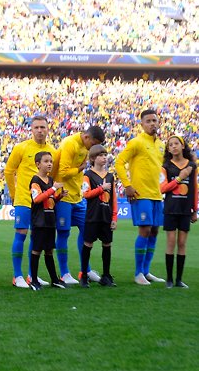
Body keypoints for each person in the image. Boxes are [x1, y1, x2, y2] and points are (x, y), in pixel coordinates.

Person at [4, 116, 58, 288]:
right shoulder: (21, 147)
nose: (40, 130)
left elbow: (52, 177)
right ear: (31, 129)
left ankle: (31, 275)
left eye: (43, 127)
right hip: (24, 200)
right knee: (21, 234)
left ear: (48, 129)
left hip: (42, 204)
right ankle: (17, 275)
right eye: (36, 127)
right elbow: (8, 171)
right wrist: (14, 195)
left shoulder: (52, 151)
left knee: (37, 238)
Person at [115, 109, 166, 285]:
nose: (152, 124)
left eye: (155, 120)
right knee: (144, 230)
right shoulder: (136, 142)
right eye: (149, 121)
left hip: (157, 195)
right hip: (141, 193)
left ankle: (146, 270)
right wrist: (127, 185)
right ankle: (138, 274)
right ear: (142, 124)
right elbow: (119, 162)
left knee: (155, 231)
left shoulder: (161, 145)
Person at [55, 126, 105, 285]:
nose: (93, 148)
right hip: (64, 196)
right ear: (87, 137)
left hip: (78, 197)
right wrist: (80, 168)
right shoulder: (70, 143)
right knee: (63, 233)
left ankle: (86, 270)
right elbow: (62, 172)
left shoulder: (84, 147)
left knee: (88, 231)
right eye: (94, 143)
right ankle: (64, 273)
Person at [160, 135, 197, 288]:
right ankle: (169, 279)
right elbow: (162, 188)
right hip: (171, 208)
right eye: (170, 145)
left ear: (183, 146)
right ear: (168, 149)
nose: (174, 146)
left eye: (176, 143)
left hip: (185, 209)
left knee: (182, 243)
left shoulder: (192, 166)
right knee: (171, 242)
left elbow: (194, 188)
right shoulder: (166, 167)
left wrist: (195, 210)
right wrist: (179, 179)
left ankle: (179, 280)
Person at [29, 152, 68, 290]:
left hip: (50, 220)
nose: (50, 164)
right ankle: (33, 280)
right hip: (40, 221)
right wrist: (53, 189)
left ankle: (54, 279)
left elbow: (50, 201)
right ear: (38, 164)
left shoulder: (51, 180)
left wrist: (59, 197)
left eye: (51, 161)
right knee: (37, 250)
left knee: (49, 250)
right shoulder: (35, 180)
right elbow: (37, 199)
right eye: (46, 161)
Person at [80, 145, 118, 288]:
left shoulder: (110, 176)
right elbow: (86, 194)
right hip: (93, 215)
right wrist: (101, 189)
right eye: (101, 155)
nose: (104, 157)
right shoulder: (88, 175)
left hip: (106, 216)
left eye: (105, 155)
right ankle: (84, 275)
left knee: (107, 245)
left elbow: (113, 198)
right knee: (88, 244)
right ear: (93, 158)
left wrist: (114, 218)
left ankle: (106, 275)